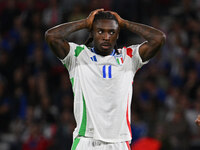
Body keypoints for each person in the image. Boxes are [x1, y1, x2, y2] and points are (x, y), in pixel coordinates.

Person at [45, 8, 166, 150]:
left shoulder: (129, 57)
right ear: (92, 33)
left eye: (112, 32)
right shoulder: (77, 56)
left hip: (119, 142)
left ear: (117, 35)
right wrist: (84, 23)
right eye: (100, 31)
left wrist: (124, 23)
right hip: (87, 140)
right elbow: (51, 36)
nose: (106, 36)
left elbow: (159, 39)